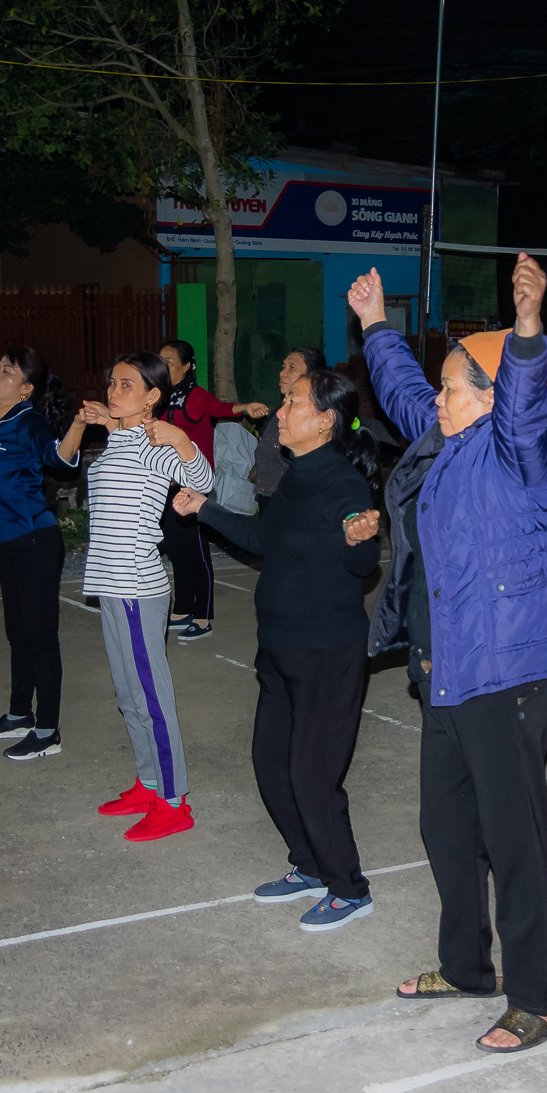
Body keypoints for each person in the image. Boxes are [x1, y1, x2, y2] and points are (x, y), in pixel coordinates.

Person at [357, 256, 547, 1057]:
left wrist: (526, 327)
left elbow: (523, 401)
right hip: (446, 668)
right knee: (447, 826)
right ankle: (466, 967)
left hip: (506, 673)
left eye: (453, 387)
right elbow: (404, 394)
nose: (439, 398)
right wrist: (375, 324)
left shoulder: (525, 450)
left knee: (513, 839)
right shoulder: (446, 441)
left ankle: (539, 998)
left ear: (490, 397)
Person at [177, 365, 382, 931]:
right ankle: (309, 863)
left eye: (293, 402)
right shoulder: (293, 477)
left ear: (325, 421)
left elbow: (362, 562)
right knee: (271, 765)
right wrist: (205, 508)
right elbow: (263, 540)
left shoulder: (344, 484)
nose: (281, 410)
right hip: (280, 651)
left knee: (313, 775)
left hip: (327, 654)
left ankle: (350, 888)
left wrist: (361, 541)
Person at [68, 353, 216, 840]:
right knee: (128, 694)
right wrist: (109, 421)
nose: (114, 391)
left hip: (136, 586)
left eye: (127, 385)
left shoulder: (157, 443)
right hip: (110, 586)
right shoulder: (121, 439)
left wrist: (182, 440)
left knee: (152, 696)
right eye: (112, 383)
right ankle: (149, 782)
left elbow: (203, 483)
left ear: (153, 395)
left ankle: (173, 801)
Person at [0, 349, 78, 761]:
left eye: (7, 371)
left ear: (26, 388)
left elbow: (59, 459)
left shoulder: (28, 422)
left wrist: (80, 424)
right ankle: (18, 714)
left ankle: (47, 730)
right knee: (18, 632)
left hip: (34, 540)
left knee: (40, 637)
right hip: (10, 544)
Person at [154, 338, 269, 641]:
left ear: (186, 366)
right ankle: (182, 609)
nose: (163, 366)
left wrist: (246, 407)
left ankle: (203, 617)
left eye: (169, 361)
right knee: (176, 548)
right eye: (160, 360)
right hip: (168, 484)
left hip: (194, 486)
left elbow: (222, 408)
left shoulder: (195, 396)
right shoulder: (160, 397)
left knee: (198, 552)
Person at [249, 348, 325, 510]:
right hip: (269, 498)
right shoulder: (279, 412)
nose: (282, 373)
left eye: (292, 367)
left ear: (311, 376)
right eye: (283, 367)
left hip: (292, 502)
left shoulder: (310, 418)